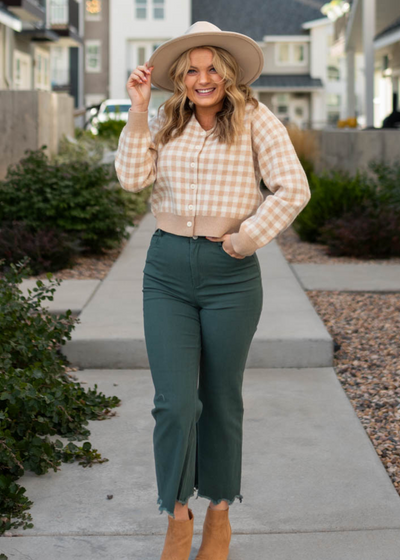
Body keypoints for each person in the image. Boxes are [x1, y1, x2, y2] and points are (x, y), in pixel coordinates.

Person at [115, 21, 311, 560]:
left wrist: (247, 237)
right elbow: (132, 179)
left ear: (227, 73)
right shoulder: (161, 120)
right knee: (175, 404)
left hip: (230, 275)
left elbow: (294, 187)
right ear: (180, 79)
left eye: (212, 68)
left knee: (221, 400)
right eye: (192, 71)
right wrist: (136, 108)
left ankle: (219, 516)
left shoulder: (254, 119)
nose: (203, 79)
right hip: (168, 270)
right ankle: (177, 517)